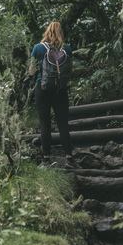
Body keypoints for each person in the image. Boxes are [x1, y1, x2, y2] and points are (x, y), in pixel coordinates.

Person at [29, 21, 74, 160]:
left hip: (42, 89)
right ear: (61, 33)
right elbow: (70, 70)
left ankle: (47, 155)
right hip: (60, 89)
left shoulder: (38, 48)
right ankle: (68, 154)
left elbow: (31, 71)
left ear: (47, 32)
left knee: (45, 123)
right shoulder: (67, 49)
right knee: (63, 123)